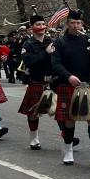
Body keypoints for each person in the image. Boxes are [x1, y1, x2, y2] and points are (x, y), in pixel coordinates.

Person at [51, 9, 90, 167]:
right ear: (67, 24)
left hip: (88, 84)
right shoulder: (60, 42)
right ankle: (68, 150)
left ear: (82, 24)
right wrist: (68, 76)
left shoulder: (88, 40)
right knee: (69, 120)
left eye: (78, 23)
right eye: (72, 23)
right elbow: (55, 64)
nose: (75, 26)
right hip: (68, 84)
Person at [18, 12, 58, 150]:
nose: (41, 26)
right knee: (33, 112)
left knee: (60, 110)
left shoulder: (52, 42)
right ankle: (34, 138)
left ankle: (67, 136)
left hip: (53, 82)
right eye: (38, 24)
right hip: (36, 81)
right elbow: (29, 62)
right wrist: (45, 53)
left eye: (43, 24)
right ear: (32, 27)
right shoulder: (27, 44)